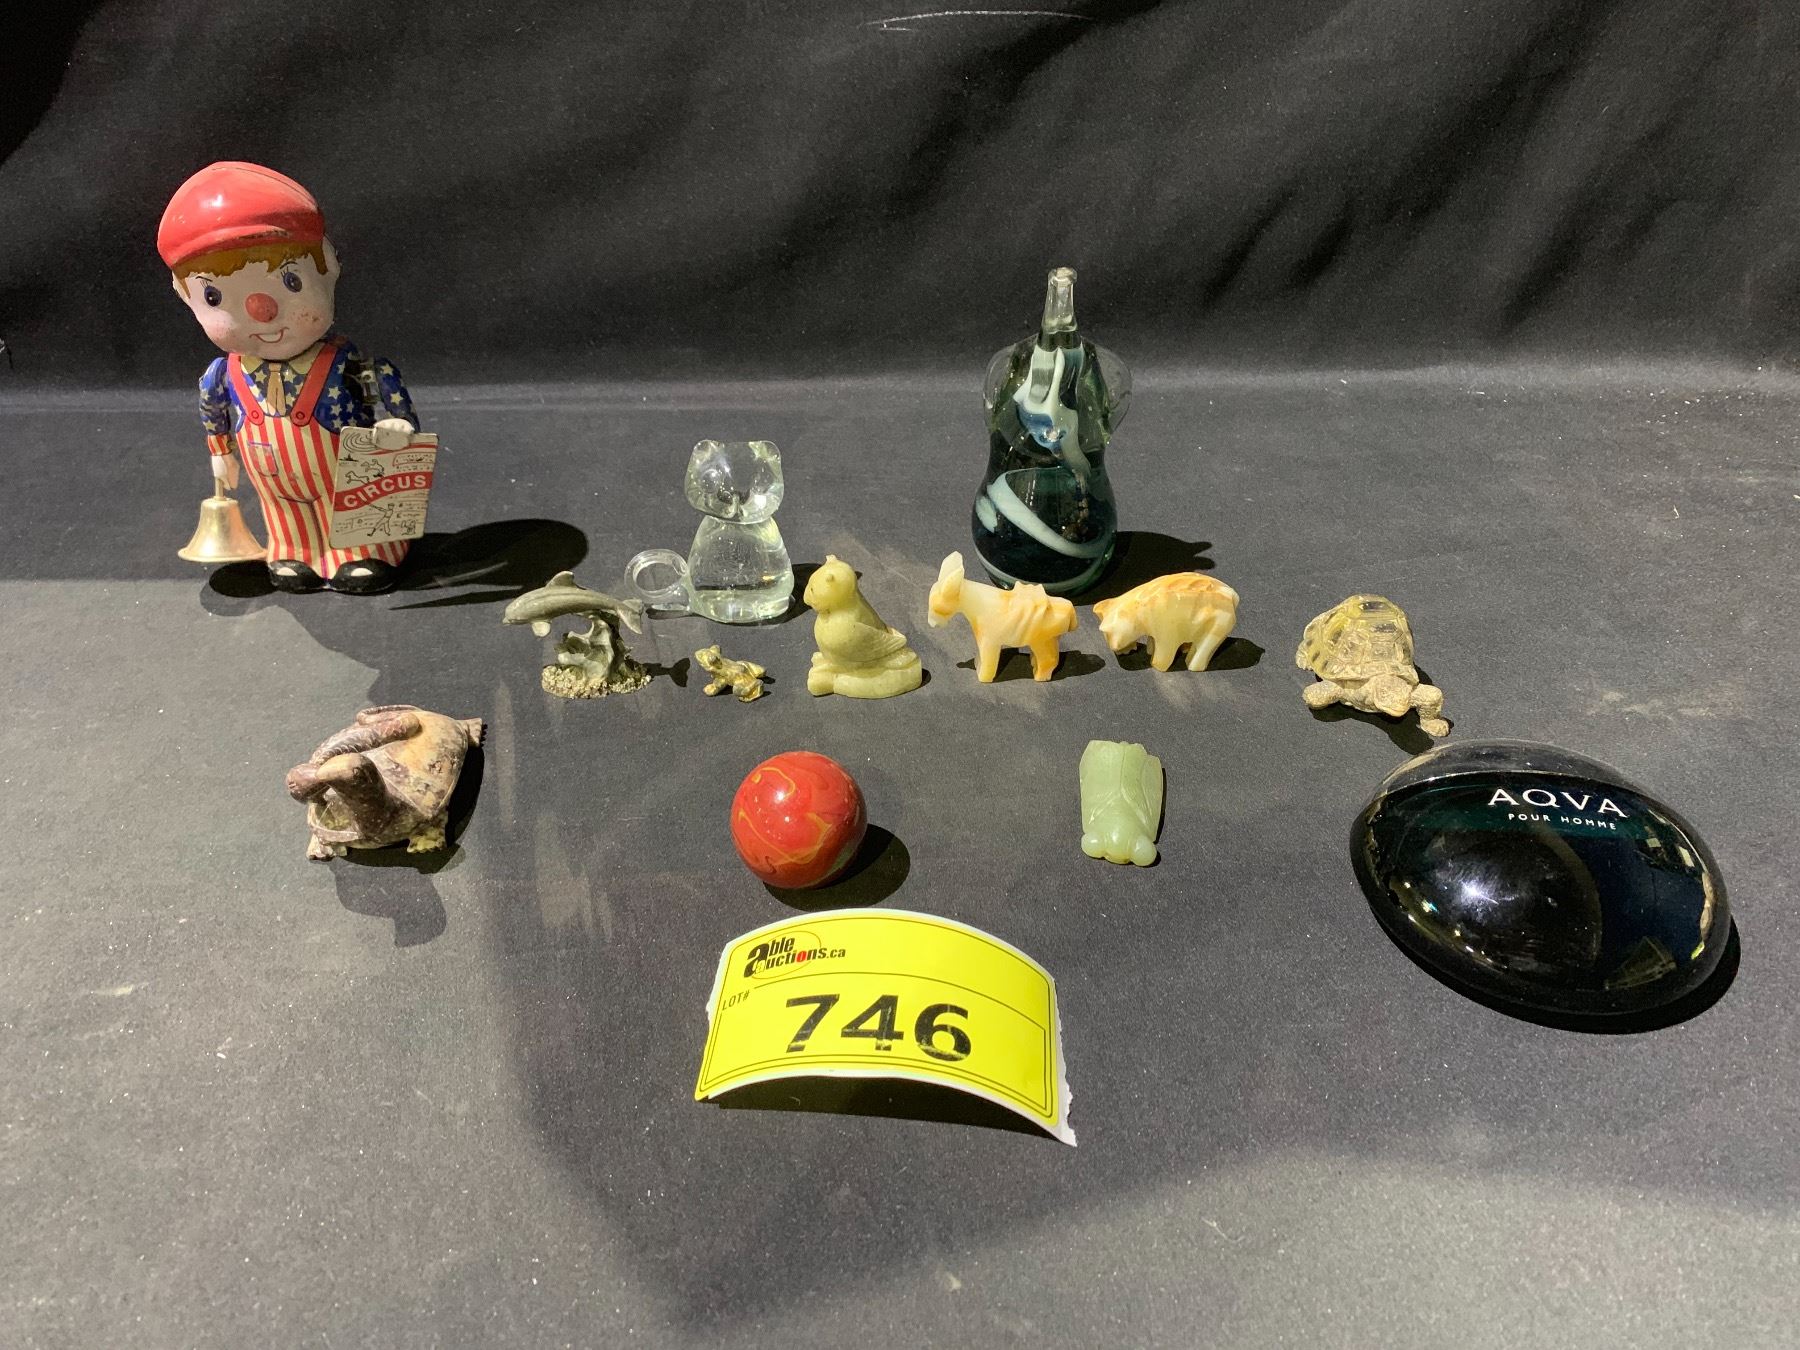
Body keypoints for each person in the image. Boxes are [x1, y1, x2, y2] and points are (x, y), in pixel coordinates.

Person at [158, 161, 422, 594]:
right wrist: (221, 452)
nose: (262, 311)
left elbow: (384, 389)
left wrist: (398, 425)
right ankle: (295, 551)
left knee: (351, 507)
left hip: (345, 473)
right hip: (271, 473)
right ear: (185, 296)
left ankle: (365, 552)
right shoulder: (224, 374)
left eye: (291, 281)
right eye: (215, 296)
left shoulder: (347, 364)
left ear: (329, 266)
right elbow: (214, 412)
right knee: (284, 512)